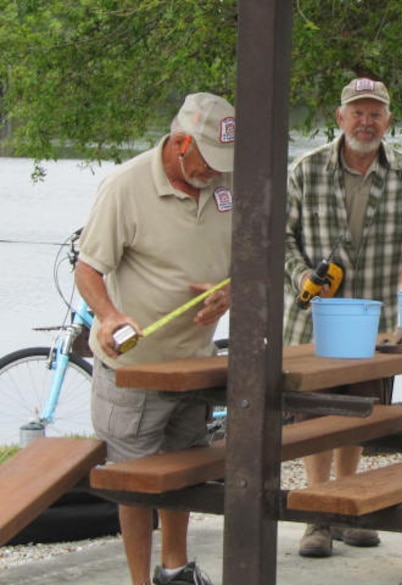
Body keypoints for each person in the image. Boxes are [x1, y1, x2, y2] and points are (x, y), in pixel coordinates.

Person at [284, 78, 402, 558]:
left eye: (375, 113)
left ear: (388, 121)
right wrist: (301, 277)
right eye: (357, 112)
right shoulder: (305, 169)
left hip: (375, 318)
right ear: (340, 118)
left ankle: (351, 505)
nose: (366, 121)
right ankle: (317, 514)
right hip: (312, 319)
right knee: (313, 414)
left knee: (361, 413)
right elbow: (281, 236)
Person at [75, 92, 235, 585]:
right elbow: (89, 269)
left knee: (184, 472)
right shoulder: (124, 185)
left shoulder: (226, 187)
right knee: (135, 483)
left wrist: (229, 294)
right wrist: (108, 316)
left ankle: (175, 570)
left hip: (195, 365)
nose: (216, 173)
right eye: (209, 162)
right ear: (181, 142)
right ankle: (138, 580)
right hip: (134, 369)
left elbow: (247, 263)